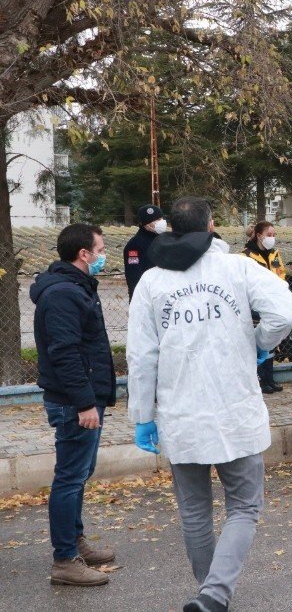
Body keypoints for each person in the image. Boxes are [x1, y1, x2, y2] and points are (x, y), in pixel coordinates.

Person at [127, 197, 292, 612]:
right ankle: (214, 595)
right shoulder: (237, 267)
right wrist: (258, 345)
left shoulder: (151, 281)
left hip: (181, 413)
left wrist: (142, 417)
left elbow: (141, 355)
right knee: (244, 505)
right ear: (211, 225)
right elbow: (284, 311)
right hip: (233, 407)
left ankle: (208, 592)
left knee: (194, 511)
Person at [30, 223, 117, 587]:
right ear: (84, 254)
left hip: (83, 398)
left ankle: (75, 541)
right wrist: (84, 403)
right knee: (69, 478)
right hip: (74, 403)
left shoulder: (75, 287)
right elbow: (64, 353)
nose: (103, 255)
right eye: (100, 248)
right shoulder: (64, 293)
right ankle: (65, 559)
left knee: (78, 474)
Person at [242, 221, 286, 393]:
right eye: (269, 235)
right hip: (256, 305)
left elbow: (281, 274)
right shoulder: (246, 255)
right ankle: (259, 379)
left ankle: (269, 377)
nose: (272, 238)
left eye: (274, 235)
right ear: (259, 235)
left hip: (273, 303)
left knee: (271, 342)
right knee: (258, 342)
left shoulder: (275, 253)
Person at [123, 204, 167, 299]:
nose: (162, 222)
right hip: (146, 297)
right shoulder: (134, 245)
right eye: (157, 220)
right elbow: (134, 275)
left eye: (161, 218)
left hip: (163, 294)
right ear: (146, 224)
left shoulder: (163, 240)